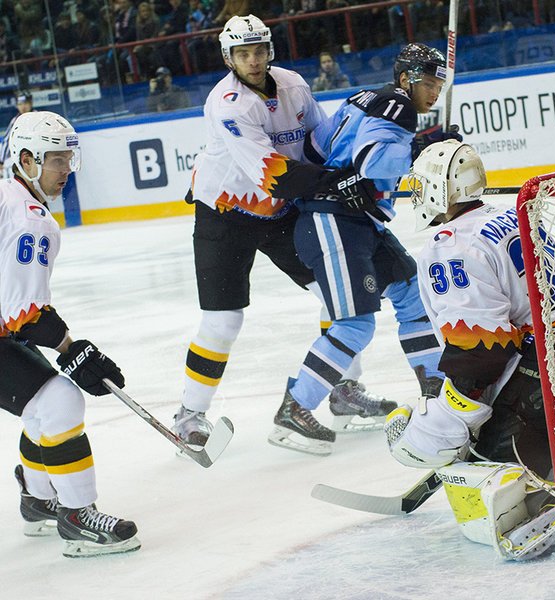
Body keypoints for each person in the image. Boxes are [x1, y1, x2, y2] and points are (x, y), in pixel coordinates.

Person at [171, 14, 374, 449]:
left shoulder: (294, 85)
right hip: (225, 216)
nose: (254, 59)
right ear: (230, 57)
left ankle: (342, 389)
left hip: (281, 214)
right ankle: (190, 412)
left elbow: (322, 141)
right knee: (223, 321)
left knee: (335, 294)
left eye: (260, 50)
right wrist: (337, 184)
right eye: (243, 53)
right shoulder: (228, 104)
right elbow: (273, 173)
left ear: (270, 50)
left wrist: (359, 167)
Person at [386, 140, 555, 481]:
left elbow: (484, 352)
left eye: (423, 184)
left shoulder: (452, 246)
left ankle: (548, 476)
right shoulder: (511, 214)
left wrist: (439, 428)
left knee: (484, 461)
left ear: (441, 189)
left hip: (553, 380)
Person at [274, 43, 462, 455]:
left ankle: (433, 382)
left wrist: (421, 143)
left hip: (356, 220)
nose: (433, 92)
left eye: (438, 84)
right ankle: (296, 406)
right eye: (427, 83)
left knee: (412, 294)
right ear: (404, 80)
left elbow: (317, 147)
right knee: (355, 324)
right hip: (334, 222)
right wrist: (423, 149)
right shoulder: (398, 104)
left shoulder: (367, 99)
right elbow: (373, 160)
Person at [1, 110, 139, 557]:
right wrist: (72, 348)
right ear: (25, 159)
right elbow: (23, 315)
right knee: (59, 400)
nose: (66, 170)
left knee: (42, 402)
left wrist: (68, 345)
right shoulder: (29, 219)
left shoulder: (8, 198)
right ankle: (77, 516)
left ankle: (38, 498)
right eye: (56, 159)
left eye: (68, 159)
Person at [0, 91, 33, 179]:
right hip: (21, 160)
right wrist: (1, 161)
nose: (23, 106)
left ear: (30, 103)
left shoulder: (39, 117)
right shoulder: (15, 121)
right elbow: (6, 141)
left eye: (25, 103)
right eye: (20, 104)